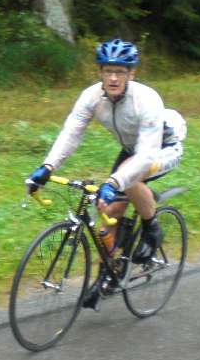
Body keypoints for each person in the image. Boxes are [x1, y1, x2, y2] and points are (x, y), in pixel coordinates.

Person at [25, 38, 185, 309]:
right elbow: (71, 134)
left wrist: (113, 182)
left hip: (161, 148)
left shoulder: (146, 99)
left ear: (131, 74)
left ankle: (151, 228)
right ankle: (106, 277)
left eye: (120, 71)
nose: (113, 77)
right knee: (107, 216)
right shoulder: (91, 97)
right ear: (100, 72)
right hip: (131, 149)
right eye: (108, 70)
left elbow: (145, 155)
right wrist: (48, 166)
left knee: (129, 181)